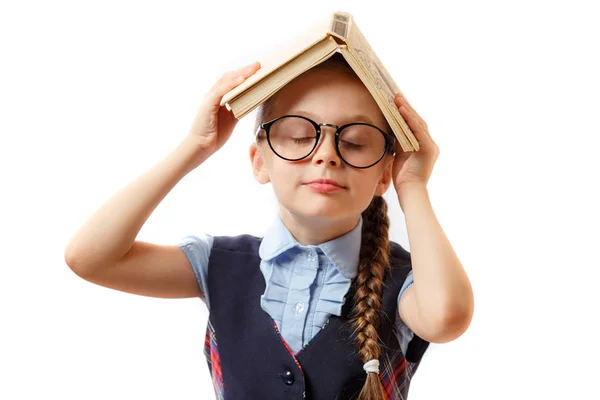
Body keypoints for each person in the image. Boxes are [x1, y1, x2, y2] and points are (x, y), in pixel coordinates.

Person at [64, 52, 474, 399]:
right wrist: (196, 146)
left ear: (384, 172)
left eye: (353, 141)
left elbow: (446, 317)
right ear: (260, 161)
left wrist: (412, 184)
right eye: (299, 135)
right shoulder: (219, 264)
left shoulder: (406, 282)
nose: (326, 155)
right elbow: (90, 258)